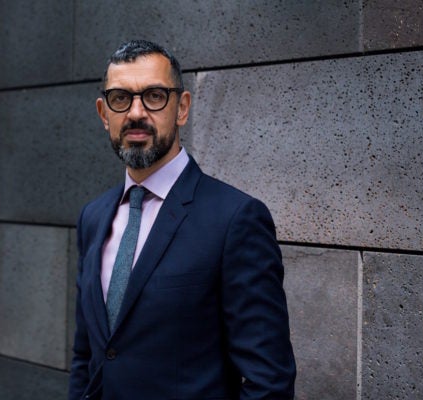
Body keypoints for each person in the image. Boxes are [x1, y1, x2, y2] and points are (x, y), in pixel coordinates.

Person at [68, 39, 296, 400]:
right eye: (120, 98)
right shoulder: (93, 218)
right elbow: (88, 357)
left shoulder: (235, 219)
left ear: (182, 108)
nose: (136, 113)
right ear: (103, 113)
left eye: (155, 96)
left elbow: (268, 380)